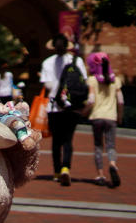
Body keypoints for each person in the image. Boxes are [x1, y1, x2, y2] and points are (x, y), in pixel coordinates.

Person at [39, 34, 88, 186]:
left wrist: (57, 90)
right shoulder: (77, 60)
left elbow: (47, 86)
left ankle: (56, 171)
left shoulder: (48, 62)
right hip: (72, 106)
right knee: (68, 139)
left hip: (54, 106)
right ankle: (66, 167)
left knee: (56, 140)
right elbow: (84, 82)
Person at [85, 51, 124, 187]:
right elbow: (120, 101)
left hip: (97, 117)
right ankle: (112, 164)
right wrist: (120, 116)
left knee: (98, 146)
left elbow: (91, 99)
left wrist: (83, 112)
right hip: (111, 117)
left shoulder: (92, 80)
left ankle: (100, 174)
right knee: (111, 145)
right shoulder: (116, 80)